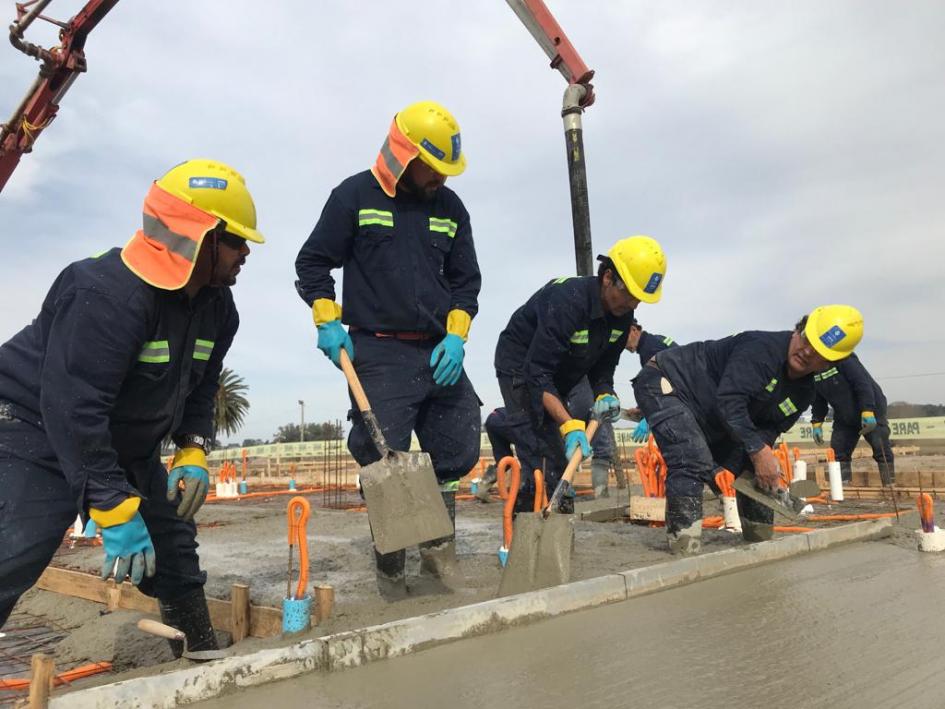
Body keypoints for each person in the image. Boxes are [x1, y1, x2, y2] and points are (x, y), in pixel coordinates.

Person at [0, 159, 262, 656]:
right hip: (30, 429)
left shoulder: (217, 308)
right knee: (14, 550)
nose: (245, 252)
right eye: (235, 240)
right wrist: (110, 503)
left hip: (122, 443)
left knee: (175, 552)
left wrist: (192, 448)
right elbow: (73, 409)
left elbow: (201, 387)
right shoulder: (106, 294)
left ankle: (198, 659)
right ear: (198, 237)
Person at [295, 101, 481, 599]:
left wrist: (457, 336)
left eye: (448, 169)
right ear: (404, 154)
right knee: (383, 459)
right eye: (434, 166)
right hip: (377, 352)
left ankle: (438, 558)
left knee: (458, 444)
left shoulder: (451, 208)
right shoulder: (355, 197)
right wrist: (326, 319)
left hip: (438, 351)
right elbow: (313, 263)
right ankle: (391, 571)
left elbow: (467, 282)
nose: (442, 176)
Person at [632, 305, 864, 554]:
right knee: (691, 459)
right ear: (798, 330)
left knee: (754, 471)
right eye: (806, 339)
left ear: (830, 362)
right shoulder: (760, 350)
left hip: (711, 411)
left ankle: (760, 542)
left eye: (817, 351)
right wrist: (756, 450)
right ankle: (683, 550)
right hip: (668, 382)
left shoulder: (803, 393)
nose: (806, 351)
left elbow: (767, 428)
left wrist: (757, 459)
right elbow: (730, 402)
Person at [493, 236, 667, 513]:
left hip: (558, 374)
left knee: (555, 455)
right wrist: (568, 422)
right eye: (630, 294)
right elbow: (537, 373)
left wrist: (605, 393)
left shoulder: (622, 318)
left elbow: (603, 369)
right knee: (537, 452)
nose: (633, 305)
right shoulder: (568, 301)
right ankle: (526, 535)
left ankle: (555, 522)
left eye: (640, 299)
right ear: (609, 277)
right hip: (521, 367)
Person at [811, 354, 893, 484]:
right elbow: (817, 399)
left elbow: (862, 384)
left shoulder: (843, 359)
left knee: (880, 447)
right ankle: (843, 487)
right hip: (844, 415)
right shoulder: (812, 370)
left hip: (871, 408)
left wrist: (867, 410)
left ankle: (890, 486)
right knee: (839, 451)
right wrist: (817, 421)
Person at [625, 322, 678, 444]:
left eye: (624, 340)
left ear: (633, 330)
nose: (624, 346)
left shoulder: (649, 350)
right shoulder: (655, 340)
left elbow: (663, 386)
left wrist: (650, 415)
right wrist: (642, 409)